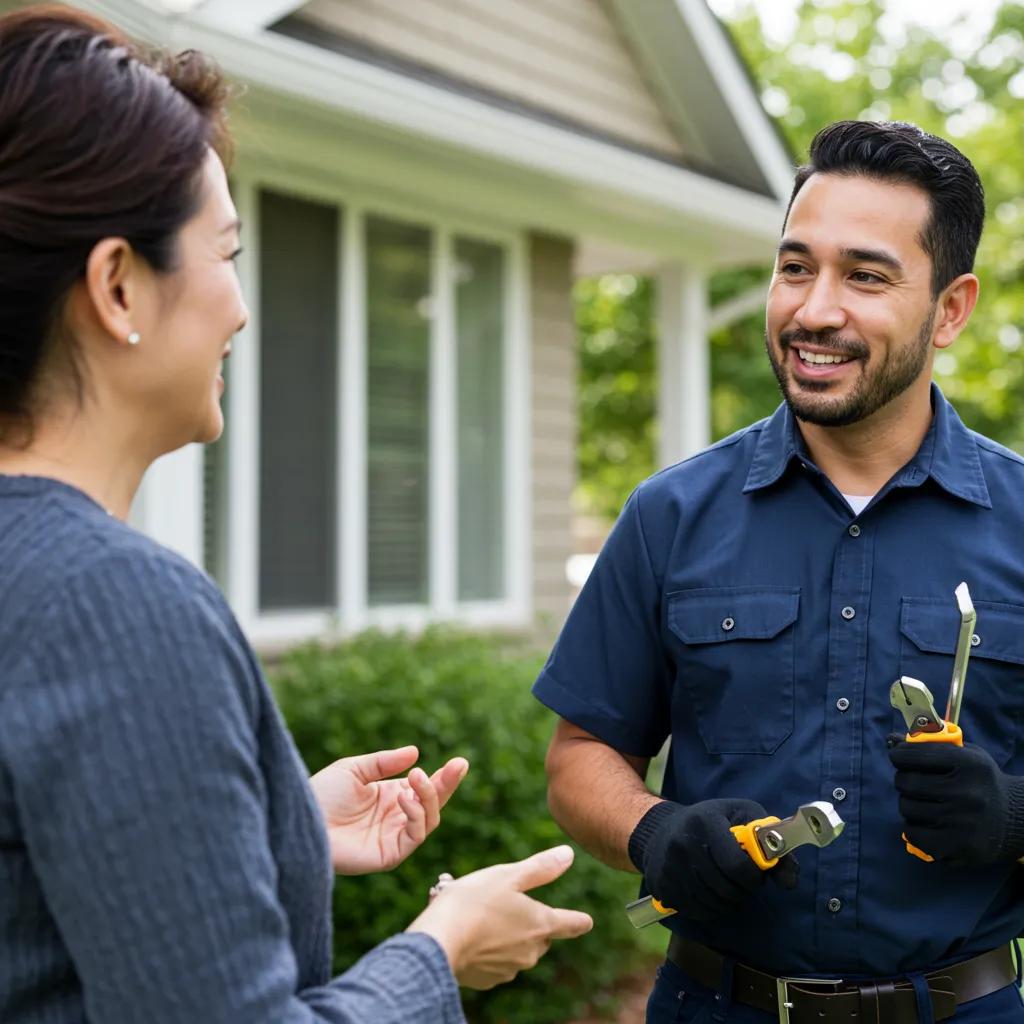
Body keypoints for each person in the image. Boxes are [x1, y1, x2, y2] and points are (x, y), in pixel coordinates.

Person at [0, 6, 592, 1022]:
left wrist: (278, 826)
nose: (238, 305)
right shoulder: (116, 603)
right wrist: (438, 953)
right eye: (224, 252)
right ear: (117, 287)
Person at [534, 118, 1024, 1022]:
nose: (813, 309)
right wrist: (654, 830)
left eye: (865, 276)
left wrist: (1013, 818)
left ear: (951, 309)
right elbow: (578, 759)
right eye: (796, 267)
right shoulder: (669, 516)